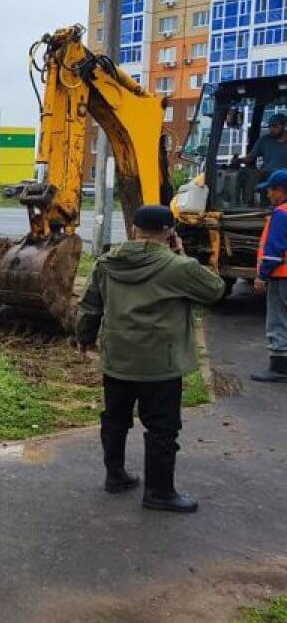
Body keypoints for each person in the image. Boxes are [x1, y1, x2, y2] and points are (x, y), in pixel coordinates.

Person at [76, 205, 227, 513]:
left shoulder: (107, 263)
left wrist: (86, 339)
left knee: (115, 419)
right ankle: (159, 492)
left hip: (118, 359)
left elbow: (90, 305)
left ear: (134, 229)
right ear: (170, 232)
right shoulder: (177, 268)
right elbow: (215, 290)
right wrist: (183, 254)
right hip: (160, 364)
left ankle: (115, 476)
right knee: (162, 428)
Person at [252, 169, 287, 383]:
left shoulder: (282, 213)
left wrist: (262, 276)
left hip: (282, 276)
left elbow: (274, 250)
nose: (268, 195)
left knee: (278, 320)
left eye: (270, 190)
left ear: (280, 190)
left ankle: (279, 367)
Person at [242, 114, 287, 205]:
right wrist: (237, 161)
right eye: (269, 126)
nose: (271, 129)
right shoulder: (264, 140)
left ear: (284, 125)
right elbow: (250, 158)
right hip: (268, 180)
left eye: (275, 126)